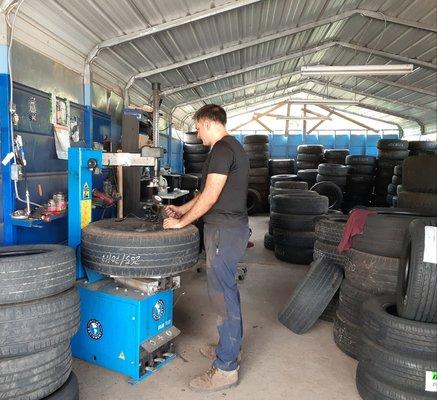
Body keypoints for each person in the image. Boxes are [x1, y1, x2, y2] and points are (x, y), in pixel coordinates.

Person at [163, 104, 249, 392]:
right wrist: (181, 208)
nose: (197, 134)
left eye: (198, 127)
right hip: (228, 229)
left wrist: (181, 223)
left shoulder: (223, 149)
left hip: (224, 231)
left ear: (208, 122)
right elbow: (203, 193)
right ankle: (229, 348)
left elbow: (211, 198)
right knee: (226, 292)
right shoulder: (230, 147)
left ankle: (226, 369)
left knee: (222, 296)